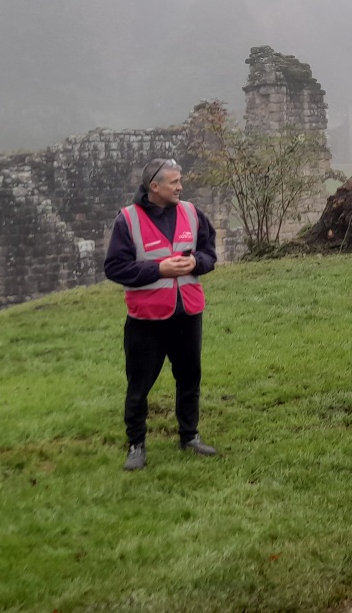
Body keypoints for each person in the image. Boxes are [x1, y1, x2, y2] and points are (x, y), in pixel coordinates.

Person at [105, 158, 218, 472]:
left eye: (180, 181)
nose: (180, 187)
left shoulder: (193, 214)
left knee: (189, 377)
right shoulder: (127, 220)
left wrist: (197, 264)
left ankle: (189, 436)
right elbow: (115, 268)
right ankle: (136, 445)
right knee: (139, 385)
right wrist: (158, 269)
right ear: (154, 187)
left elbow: (210, 252)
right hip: (147, 319)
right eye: (174, 182)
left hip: (188, 312)